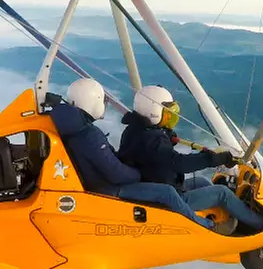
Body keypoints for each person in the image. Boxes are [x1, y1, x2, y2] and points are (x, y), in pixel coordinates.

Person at [49, 78, 216, 230]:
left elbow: (106, 159)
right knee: (167, 192)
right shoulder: (88, 134)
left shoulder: (75, 129)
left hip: (99, 182)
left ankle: (205, 210)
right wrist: (137, 174)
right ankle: (202, 225)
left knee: (197, 182)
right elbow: (115, 172)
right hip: (107, 188)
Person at [118, 84, 263, 234]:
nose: (171, 116)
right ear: (153, 112)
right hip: (166, 196)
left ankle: (228, 217)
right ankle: (261, 226)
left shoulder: (135, 130)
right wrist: (214, 159)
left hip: (152, 183)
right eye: (167, 112)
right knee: (222, 193)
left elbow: (156, 156)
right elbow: (179, 164)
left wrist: (165, 136)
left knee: (202, 182)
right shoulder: (152, 140)